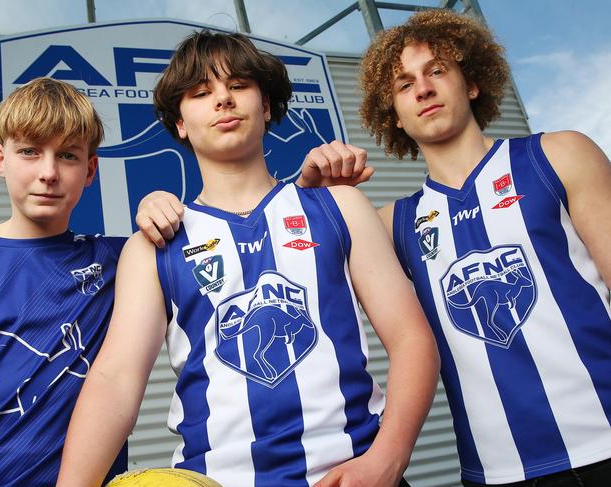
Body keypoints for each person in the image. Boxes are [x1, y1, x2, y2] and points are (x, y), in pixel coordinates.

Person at [57, 31, 439, 487]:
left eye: (238, 86)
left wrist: (388, 459)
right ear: (179, 122)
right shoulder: (154, 244)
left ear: (268, 107)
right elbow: (115, 382)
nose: (222, 100)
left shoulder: (340, 207)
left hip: (355, 471)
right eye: (201, 92)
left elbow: (412, 339)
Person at [293, 9, 611, 487]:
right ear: (394, 116)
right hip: (497, 472)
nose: (422, 89)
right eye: (403, 85)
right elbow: (289, 261)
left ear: (472, 83)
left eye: (436, 71)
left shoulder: (559, 155)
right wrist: (314, 191)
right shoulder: (390, 225)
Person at [0, 77, 181, 486]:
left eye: (66, 155)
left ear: (90, 170)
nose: (48, 173)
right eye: (29, 151)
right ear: (0, 159)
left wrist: (156, 202)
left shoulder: (122, 259)